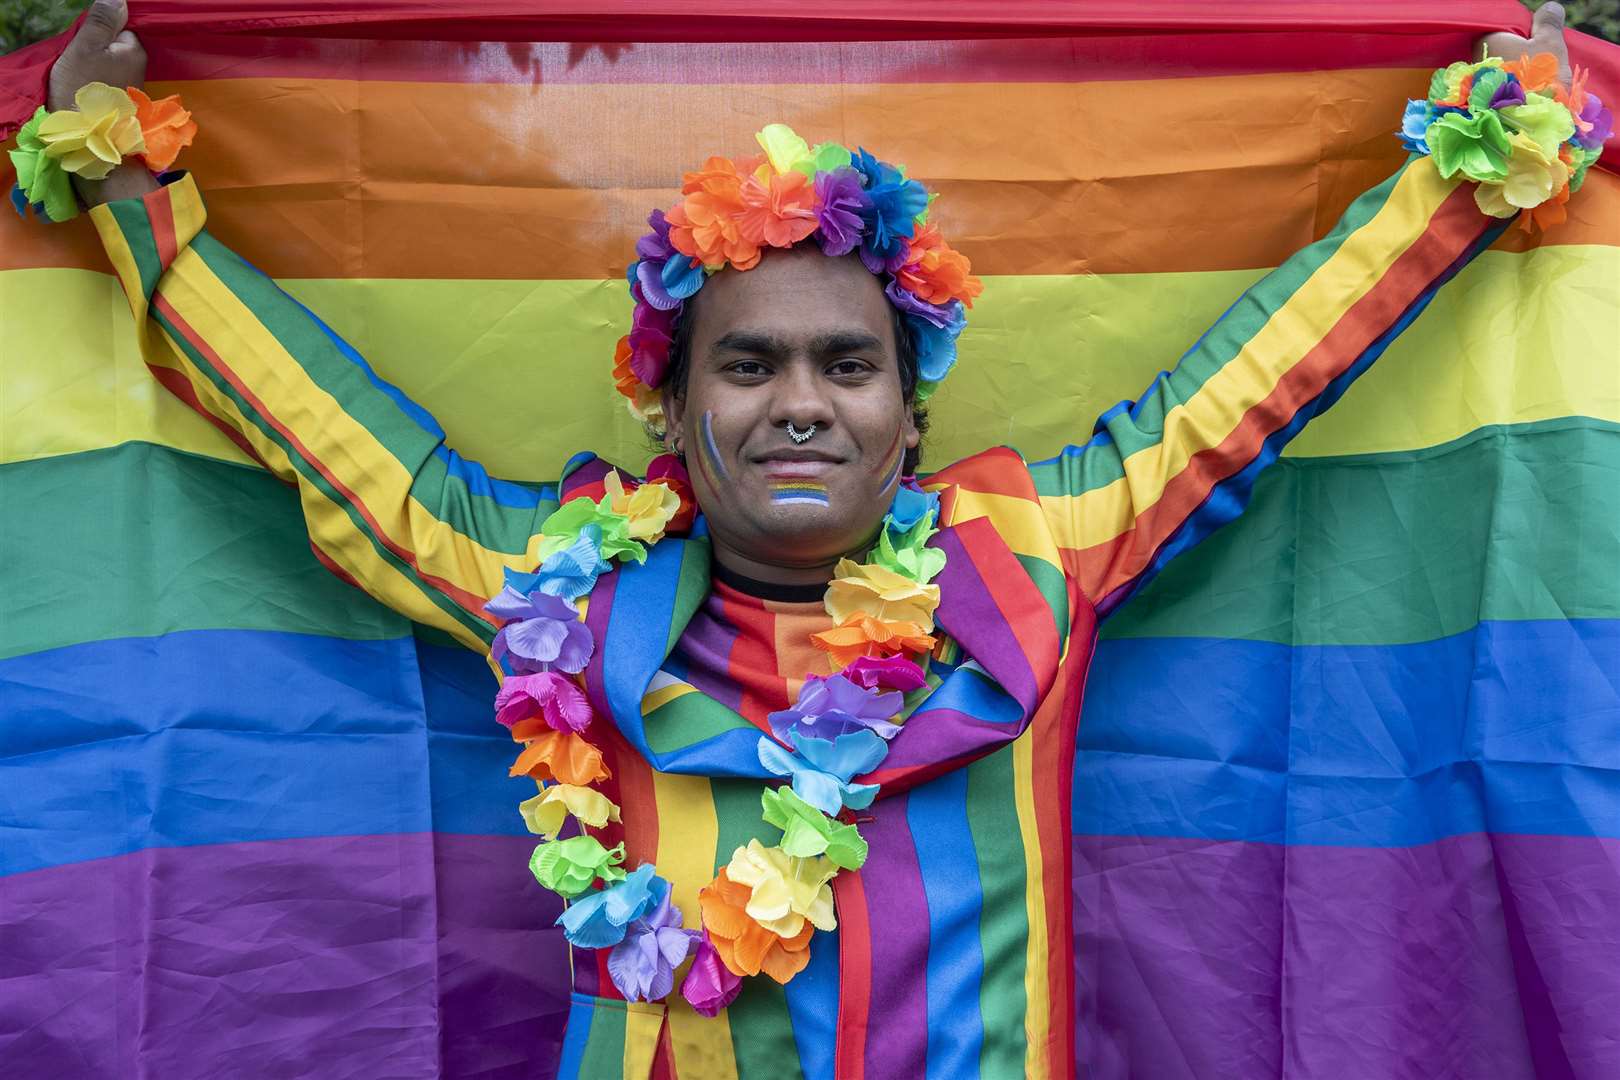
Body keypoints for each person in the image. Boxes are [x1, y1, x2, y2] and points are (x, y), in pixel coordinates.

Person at [34, 1, 1595, 1076]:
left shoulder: (1034, 556)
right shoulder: (563, 592)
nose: (800, 405)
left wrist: (1472, 162)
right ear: (672, 407)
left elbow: (1266, 376)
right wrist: (129, 200)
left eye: (848, 368)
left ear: (908, 419)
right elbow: (341, 447)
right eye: (749, 363)